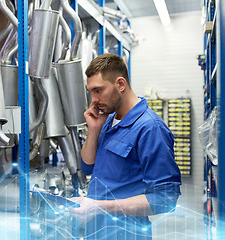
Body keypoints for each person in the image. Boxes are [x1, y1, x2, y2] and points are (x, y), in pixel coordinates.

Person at [69, 53, 182, 239]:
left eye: (98, 90)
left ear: (120, 84)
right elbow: (87, 166)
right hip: (97, 232)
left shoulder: (150, 128)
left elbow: (165, 199)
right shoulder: (108, 119)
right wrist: (94, 130)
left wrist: (98, 207)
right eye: (90, 91)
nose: (93, 99)